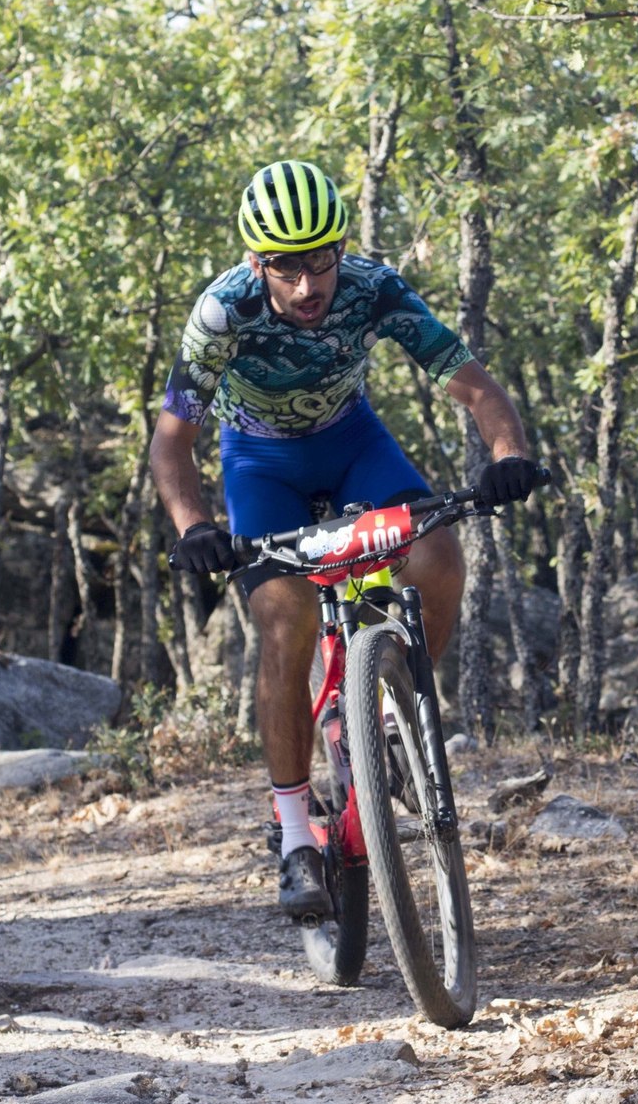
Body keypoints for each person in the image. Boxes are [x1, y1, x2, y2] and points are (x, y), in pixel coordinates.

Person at [150, 158, 541, 920]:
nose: (307, 285)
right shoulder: (222, 311)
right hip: (261, 460)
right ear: (258, 262)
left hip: (351, 439)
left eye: (320, 259)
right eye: (286, 268)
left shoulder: (371, 287)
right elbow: (172, 441)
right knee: (286, 619)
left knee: (436, 553)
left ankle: (393, 705)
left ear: (340, 246)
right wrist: (194, 526)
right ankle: (295, 833)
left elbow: (472, 384)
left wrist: (507, 455)